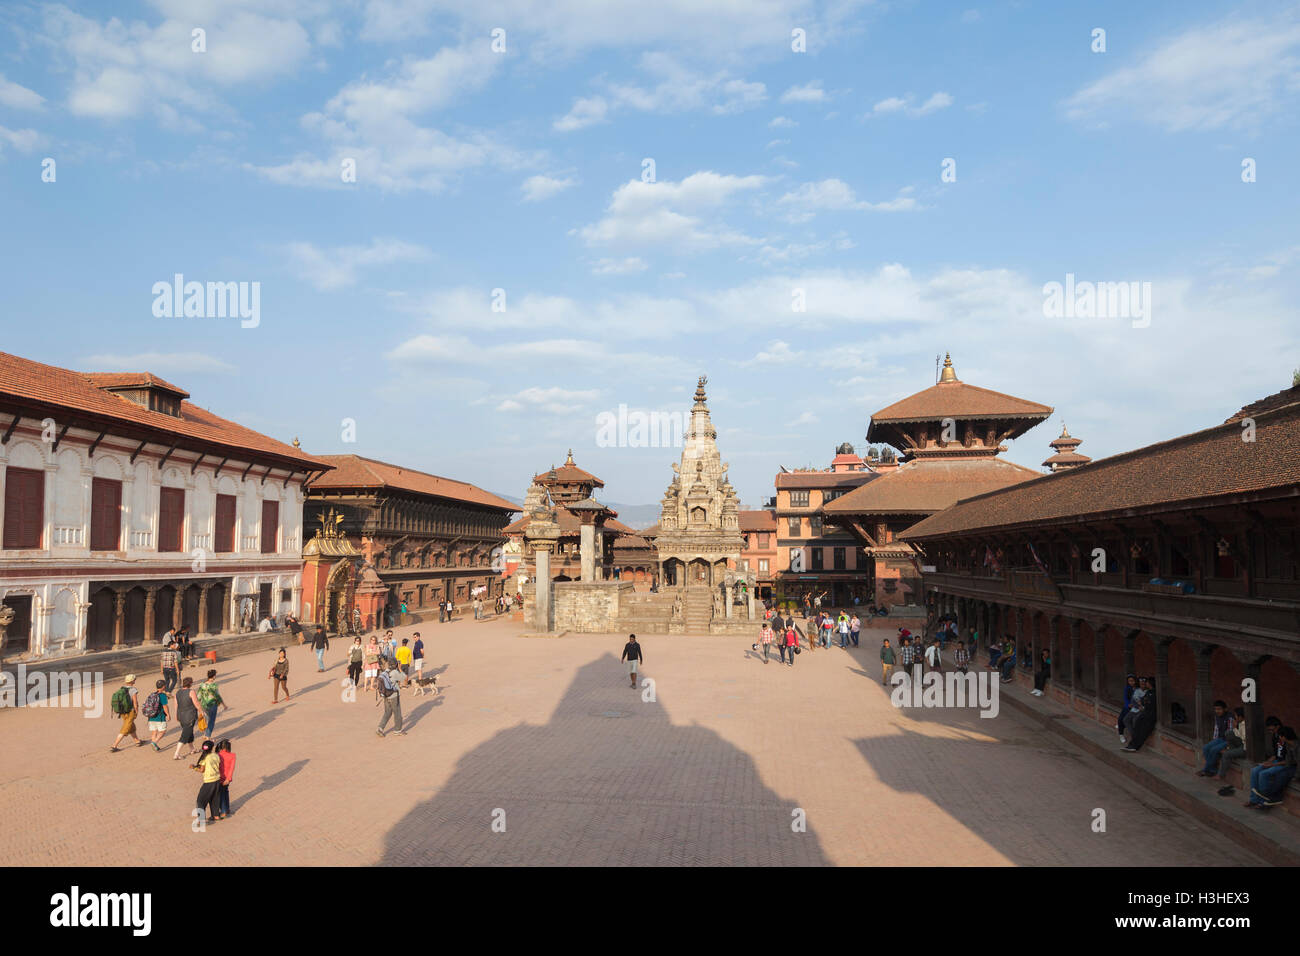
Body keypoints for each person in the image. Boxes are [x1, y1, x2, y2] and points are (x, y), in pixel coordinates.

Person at [1247, 726, 1299, 809]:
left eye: (1280, 736)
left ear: (1284, 736)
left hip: (1295, 769)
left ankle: (1267, 795)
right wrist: (1270, 763)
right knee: (1256, 770)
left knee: (1276, 775)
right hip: (1287, 765)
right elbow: (1289, 761)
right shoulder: (1289, 746)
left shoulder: (1297, 746)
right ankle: (1258, 797)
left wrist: (1296, 777)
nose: (1279, 738)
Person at [1215, 708, 1249, 793]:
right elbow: (1238, 735)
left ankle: (1221, 775)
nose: (1235, 718)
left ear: (1241, 717)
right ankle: (1232, 750)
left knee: (1226, 755)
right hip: (1241, 743)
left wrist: (1235, 728)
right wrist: (1234, 728)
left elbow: (1243, 738)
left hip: (1246, 748)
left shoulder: (1245, 725)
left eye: (1236, 716)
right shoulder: (1240, 723)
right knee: (1229, 733)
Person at [1197, 700, 1235, 776]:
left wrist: (1228, 746)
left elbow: (1231, 733)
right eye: (1216, 709)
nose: (1217, 711)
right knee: (1206, 748)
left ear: (1225, 709)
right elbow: (1216, 729)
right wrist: (1214, 741)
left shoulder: (1230, 718)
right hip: (1220, 738)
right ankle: (1213, 770)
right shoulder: (1217, 717)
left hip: (1228, 740)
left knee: (1214, 750)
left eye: (1219, 709)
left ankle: (1206, 769)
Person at [1122, 677, 1157, 752]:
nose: (1146, 683)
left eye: (1147, 682)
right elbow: (1142, 700)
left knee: (1143, 732)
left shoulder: (1154, 693)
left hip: (1150, 715)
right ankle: (1131, 745)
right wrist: (1142, 703)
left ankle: (1135, 746)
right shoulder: (1148, 692)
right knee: (1136, 726)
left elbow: (1149, 704)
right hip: (1144, 713)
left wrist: (1144, 703)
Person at [109, 674, 142, 752]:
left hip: (123, 712)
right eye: (134, 679)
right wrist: (136, 710)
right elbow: (135, 702)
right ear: (132, 681)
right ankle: (114, 745)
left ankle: (137, 741)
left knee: (131, 726)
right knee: (125, 728)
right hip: (130, 711)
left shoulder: (122, 688)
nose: (135, 680)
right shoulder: (133, 689)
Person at [194, 740, 222, 823]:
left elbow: (202, 770)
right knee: (214, 798)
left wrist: (194, 768)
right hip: (217, 779)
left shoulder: (204, 758)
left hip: (209, 781)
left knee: (200, 800)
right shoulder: (216, 755)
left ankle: (201, 819)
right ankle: (216, 815)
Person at [173, 676, 201, 760]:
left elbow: (176, 705)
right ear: (190, 683)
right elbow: (196, 703)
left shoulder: (177, 692)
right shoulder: (191, 691)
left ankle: (192, 749)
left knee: (189, 732)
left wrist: (176, 715)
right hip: (190, 716)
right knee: (185, 735)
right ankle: (176, 754)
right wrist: (201, 711)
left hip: (181, 716)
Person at [375, 662, 405, 737]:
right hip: (394, 696)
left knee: (387, 712)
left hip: (386, 695)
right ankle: (398, 730)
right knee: (397, 713)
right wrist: (400, 668)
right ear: (396, 665)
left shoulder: (385, 671)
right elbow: (404, 678)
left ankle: (380, 728)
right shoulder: (395, 672)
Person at [197, 669, 228, 740]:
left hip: (204, 705)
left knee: (207, 719)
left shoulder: (202, 685)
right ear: (213, 676)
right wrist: (224, 705)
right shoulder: (214, 685)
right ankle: (208, 736)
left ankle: (205, 734)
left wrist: (198, 706)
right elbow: (218, 696)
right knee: (211, 721)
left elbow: (198, 696)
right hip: (212, 705)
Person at [143, 678, 169, 751]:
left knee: (154, 731)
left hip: (151, 716)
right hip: (160, 716)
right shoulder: (163, 695)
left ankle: (155, 745)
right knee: (163, 731)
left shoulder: (153, 694)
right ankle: (154, 743)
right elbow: (165, 706)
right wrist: (168, 715)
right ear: (163, 686)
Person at [216, 738, 237, 818]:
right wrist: (228, 778)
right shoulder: (232, 756)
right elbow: (232, 768)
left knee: (221, 794)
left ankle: (224, 811)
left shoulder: (218, 755)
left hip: (219, 777)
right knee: (225, 792)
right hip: (227, 778)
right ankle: (227, 808)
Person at [1117, 675, 1138, 742]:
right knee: (1121, 719)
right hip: (1128, 707)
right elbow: (1125, 698)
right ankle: (1121, 734)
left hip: (1136, 708)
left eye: (1132, 681)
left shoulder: (1138, 689)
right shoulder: (1127, 688)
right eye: (1129, 681)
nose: (1131, 682)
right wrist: (1128, 704)